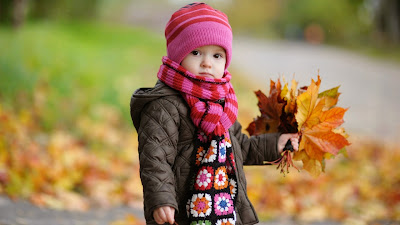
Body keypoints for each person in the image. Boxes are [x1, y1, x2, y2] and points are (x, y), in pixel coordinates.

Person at [130, 2, 299, 225]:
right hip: (183, 210)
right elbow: (155, 158)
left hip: (223, 208)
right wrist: (161, 200)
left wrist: (274, 144)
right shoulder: (165, 105)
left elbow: (240, 147)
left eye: (217, 56)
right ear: (177, 56)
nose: (207, 63)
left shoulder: (222, 104)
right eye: (196, 52)